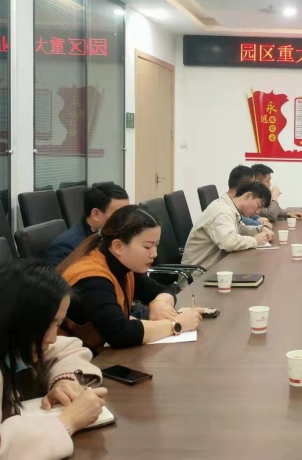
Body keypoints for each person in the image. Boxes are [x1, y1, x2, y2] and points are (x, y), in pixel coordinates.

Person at [0, 260, 109, 459]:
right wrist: (67, 422)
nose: (52, 338)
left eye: (57, 325)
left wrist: (64, 379)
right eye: (47, 324)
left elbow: (67, 348)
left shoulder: (14, 341)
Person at [59, 206, 202, 351]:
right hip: (72, 359)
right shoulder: (92, 279)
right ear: (118, 246)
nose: (154, 254)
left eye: (156, 246)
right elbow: (119, 333)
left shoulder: (123, 265)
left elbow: (167, 289)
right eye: (147, 247)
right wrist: (176, 324)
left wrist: (159, 303)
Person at [182, 181, 274, 269]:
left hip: (215, 268)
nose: (258, 212)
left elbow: (241, 230)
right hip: (198, 275)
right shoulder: (222, 211)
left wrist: (260, 229)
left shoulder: (230, 208)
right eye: (259, 206)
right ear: (248, 196)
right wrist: (255, 240)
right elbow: (228, 242)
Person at [46, 184, 130, 267]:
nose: (127, 219)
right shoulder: (66, 247)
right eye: (120, 215)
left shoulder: (115, 235)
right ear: (96, 214)